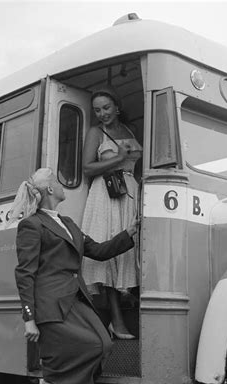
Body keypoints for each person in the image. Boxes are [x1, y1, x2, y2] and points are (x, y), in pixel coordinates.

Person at [10, 168, 139, 384]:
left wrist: (128, 234)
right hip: (49, 306)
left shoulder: (68, 222)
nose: (61, 181)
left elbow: (99, 251)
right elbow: (25, 274)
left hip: (74, 300)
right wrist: (29, 318)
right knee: (56, 370)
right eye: (55, 179)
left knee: (104, 343)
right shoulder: (31, 225)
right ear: (48, 190)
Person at [81, 86, 143, 340]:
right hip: (106, 192)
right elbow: (87, 168)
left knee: (130, 250)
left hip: (130, 190)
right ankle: (117, 322)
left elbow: (137, 167)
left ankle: (125, 316)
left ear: (117, 107)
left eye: (106, 107)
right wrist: (118, 159)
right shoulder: (96, 132)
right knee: (111, 255)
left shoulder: (131, 131)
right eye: (97, 109)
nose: (102, 113)